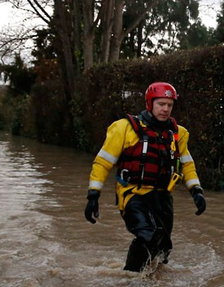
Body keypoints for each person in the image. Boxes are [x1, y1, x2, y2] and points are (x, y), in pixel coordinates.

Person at [84, 82, 206, 272]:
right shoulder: (124, 128)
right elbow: (103, 163)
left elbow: (187, 164)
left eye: (169, 105)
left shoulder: (178, 134)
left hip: (162, 196)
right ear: (150, 104)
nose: (165, 109)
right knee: (148, 236)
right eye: (161, 104)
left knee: (164, 248)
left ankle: (152, 283)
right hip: (132, 194)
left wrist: (196, 190)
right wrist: (93, 194)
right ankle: (129, 278)